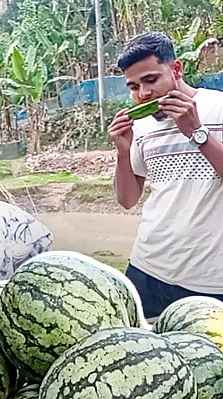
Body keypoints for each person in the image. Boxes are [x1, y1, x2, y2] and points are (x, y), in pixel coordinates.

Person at [108, 31, 223, 319]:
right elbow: (127, 199)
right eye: (133, 86)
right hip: (147, 270)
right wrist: (123, 151)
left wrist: (198, 133)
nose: (143, 94)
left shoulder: (219, 108)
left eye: (151, 80)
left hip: (211, 282)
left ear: (176, 69)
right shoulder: (143, 127)